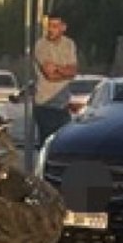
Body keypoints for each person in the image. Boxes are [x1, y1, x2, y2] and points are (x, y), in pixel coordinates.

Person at [32, 13, 78, 146]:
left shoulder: (69, 44)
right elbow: (49, 75)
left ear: (63, 28)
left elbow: (73, 71)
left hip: (63, 105)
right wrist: (65, 70)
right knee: (47, 144)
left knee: (64, 144)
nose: (51, 29)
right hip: (45, 105)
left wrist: (57, 68)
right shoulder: (41, 45)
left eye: (55, 26)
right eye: (49, 26)